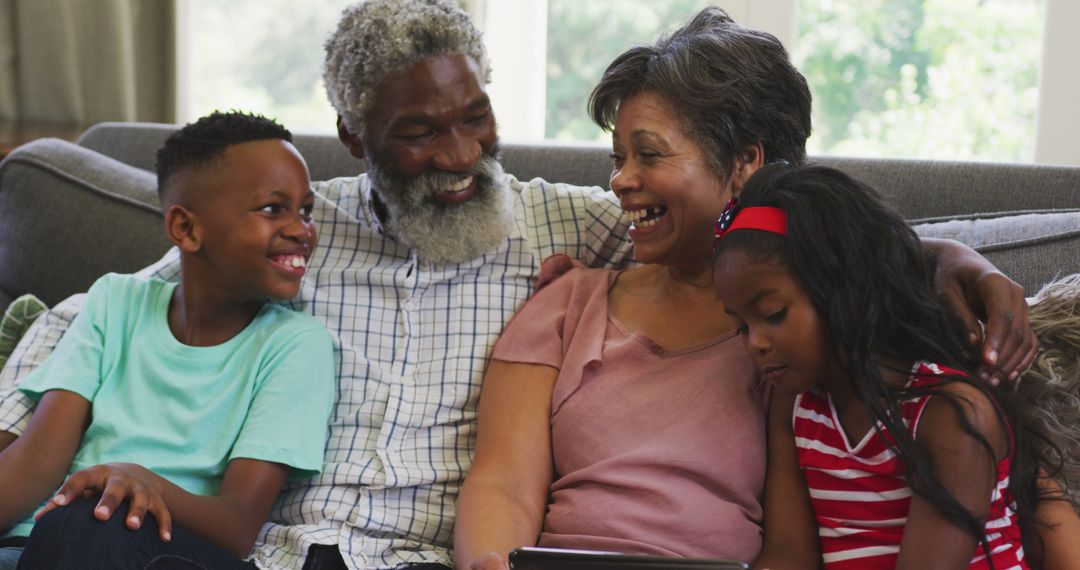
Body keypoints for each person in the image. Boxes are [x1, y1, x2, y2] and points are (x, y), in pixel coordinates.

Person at [0, 1, 1037, 569]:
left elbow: (812, 235)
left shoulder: (568, 224)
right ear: (356, 141)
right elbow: (117, 307)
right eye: (419, 133)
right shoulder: (287, 234)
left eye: (474, 116)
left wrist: (956, 261)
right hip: (275, 558)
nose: (461, 154)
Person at [453, 8, 1040, 570]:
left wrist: (959, 261)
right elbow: (503, 479)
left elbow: (866, 263)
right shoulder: (567, 303)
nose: (619, 180)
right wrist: (488, 561)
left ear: (745, 164)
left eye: (649, 154)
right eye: (618, 157)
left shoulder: (811, 334)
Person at [0, 111, 336, 569]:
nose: (302, 229)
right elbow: (37, 461)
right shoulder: (115, 301)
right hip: (37, 544)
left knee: (91, 521)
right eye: (273, 208)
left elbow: (237, 527)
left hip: (160, 549)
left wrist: (140, 481)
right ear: (186, 229)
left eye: (306, 210)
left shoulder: (296, 344)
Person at [712, 162, 1080, 569]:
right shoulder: (795, 406)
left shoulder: (950, 415)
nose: (755, 344)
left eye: (773, 314)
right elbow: (789, 554)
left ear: (845, 289)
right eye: (741, 327)